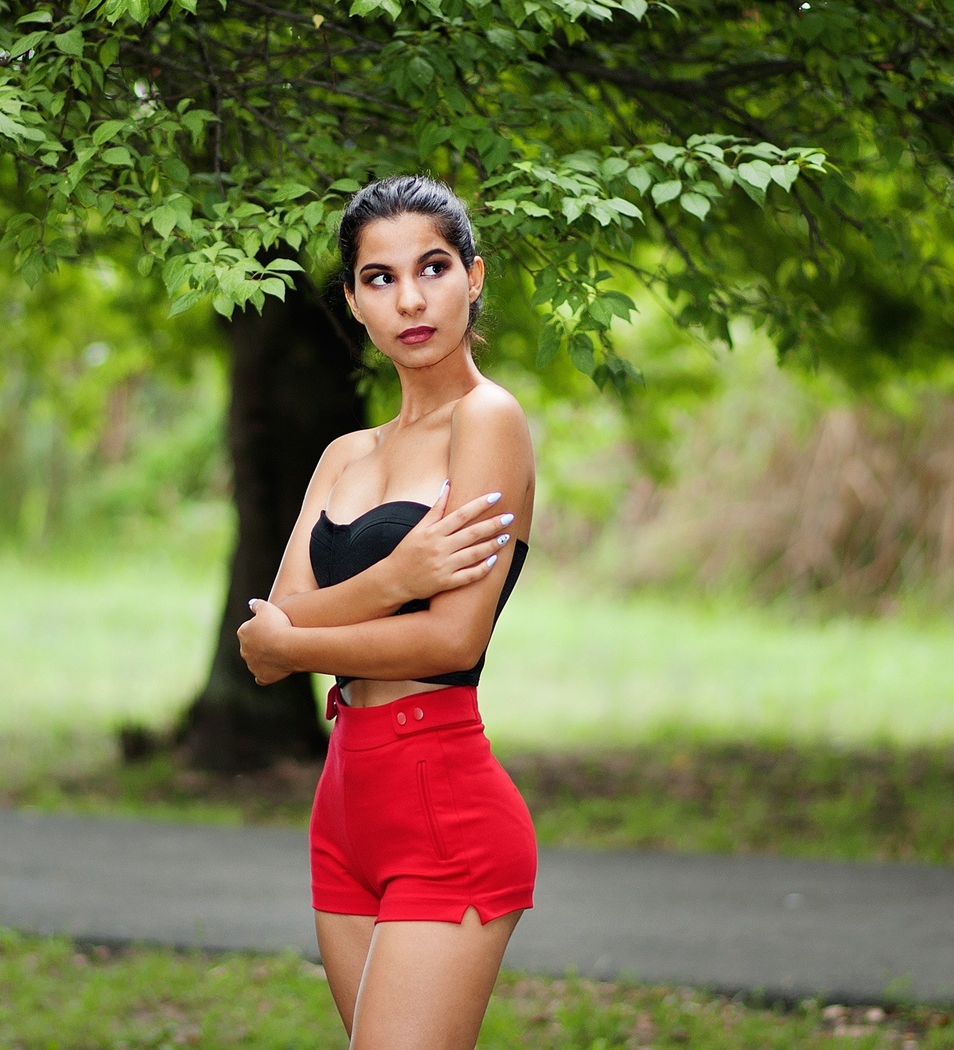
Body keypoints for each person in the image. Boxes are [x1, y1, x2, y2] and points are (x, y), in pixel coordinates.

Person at [236, 174, 538, 1050]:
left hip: (443, 805)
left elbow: (453, 634)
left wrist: (303, 634)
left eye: (433, 267)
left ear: (473, 278)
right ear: (354, 302)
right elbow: (264, 647)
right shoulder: (343, 455)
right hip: (344, 807)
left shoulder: (490, 420)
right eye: (380, 278)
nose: (411, 298)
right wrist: (398, 571)